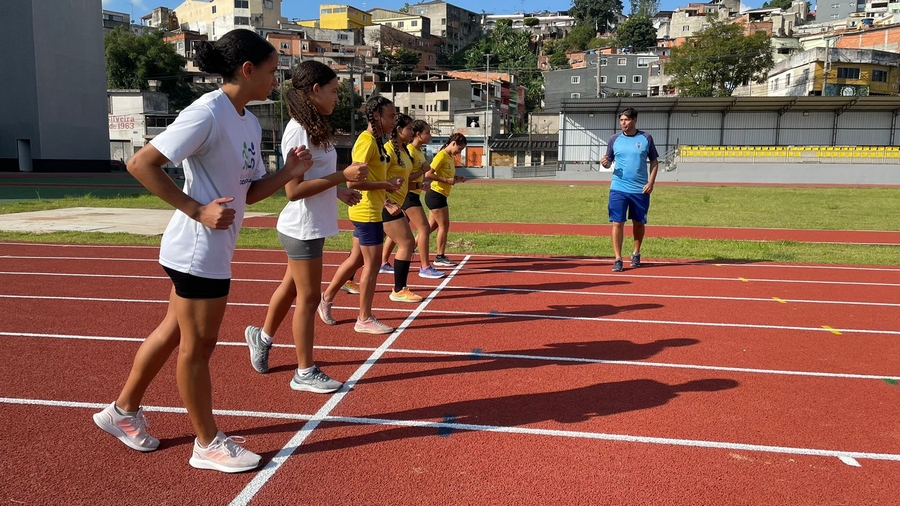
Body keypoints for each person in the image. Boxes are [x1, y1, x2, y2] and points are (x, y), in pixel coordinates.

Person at [92, 29, 314, 473]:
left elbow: (248, 193)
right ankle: (207, 443)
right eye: (272, 72)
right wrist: (197, 210)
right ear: (247, 70)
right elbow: (141, 163)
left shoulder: (248, 120)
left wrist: (290, 170)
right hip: (197, 250)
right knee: (197, 348)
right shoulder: (207, 112)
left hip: (211, 249)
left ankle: (122, 411)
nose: (276, 81)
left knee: (173, 333)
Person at [242, 61, 367, 393]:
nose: (337, 98)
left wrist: (338, 190)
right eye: (333, 91)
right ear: (315, 91)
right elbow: (293, 190)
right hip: (301, 228)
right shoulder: (298, 130)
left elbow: (312, 178)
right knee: (309, 298)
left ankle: (262, 336)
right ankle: (305, 372)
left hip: (312, 224)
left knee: (292, 288)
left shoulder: (314, 126)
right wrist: (342, 176)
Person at [318, 96, 403, 334]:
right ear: (376, 116)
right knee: (372, 264)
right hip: (365, 212)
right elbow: (353, 180)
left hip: (373, 208)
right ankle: (364, 318)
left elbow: (374, 178)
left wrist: (385, 193)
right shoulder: (366, 142)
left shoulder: (377, 142)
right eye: (390, 116)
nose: (393, 121)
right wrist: (387, 184)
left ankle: (325, 298)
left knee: (356, 259)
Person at [382, 120, 445, 279]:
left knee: (391, 232)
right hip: (406, 196)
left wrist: (419, 183)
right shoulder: (407, 150)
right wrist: (421, 173)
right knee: (424, 228)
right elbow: (405, 176)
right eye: (428, 132)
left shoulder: (418, 151)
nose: (430, 135)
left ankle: (383, 262)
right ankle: (425, 266)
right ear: (418, 134)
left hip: (410, 193)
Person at [600, 107, 659, 272]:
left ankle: (636, 253)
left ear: (635, 120)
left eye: (626, 120)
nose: (623, 123)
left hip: (640, 190)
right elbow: (608, 161)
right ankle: (618, 258)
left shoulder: (646, 138)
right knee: (617, 222)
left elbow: (654, 162)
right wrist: (605, 163)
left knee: (639, 223)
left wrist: (651, 183)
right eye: (621, 120)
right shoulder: (614, 139)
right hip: (618, 188)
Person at [376, 113, 425, 302]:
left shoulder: (403, 152)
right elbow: (377, 181)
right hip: (386, 206)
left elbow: (403, 181)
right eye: (410, 129)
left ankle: (340, 285)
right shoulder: (387, 151)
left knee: (361, 253)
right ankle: (399, 289)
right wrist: (386, 203)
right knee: (407, 243)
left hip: (396, 204)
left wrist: (418, 186)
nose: (413, 132)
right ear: (399, 130)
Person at [425, 133, 467, 268]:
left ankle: (412, 247)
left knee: (429, 227)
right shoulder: (441, 156)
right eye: (459, 149)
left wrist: (456, 178)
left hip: (440, 195)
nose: (459, 152)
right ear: (453, 143)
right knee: (444, 226)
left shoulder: (449, 157)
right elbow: (429, 174)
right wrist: (446, 180)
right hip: (436, 194)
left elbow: (446, 175)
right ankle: (439, 257)